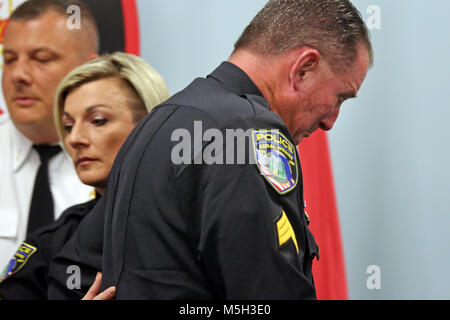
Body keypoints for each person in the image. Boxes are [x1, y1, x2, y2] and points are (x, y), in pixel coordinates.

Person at [52, 0, 373, 299]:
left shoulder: (156, 124)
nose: (331, 120)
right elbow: (266, 292)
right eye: (340, 97)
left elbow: (73, 266)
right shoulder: (248, 131)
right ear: (304, 68)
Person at [0, 52, 170, 299]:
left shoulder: (197, 219)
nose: (74, 138)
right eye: (68, 126)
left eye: (98, 120)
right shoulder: (56, 240)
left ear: (151, 125)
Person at [0, 0, 100, 269]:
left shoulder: (123, 168)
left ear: (88, 70)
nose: (18, 75)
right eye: (9, 60)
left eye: (41, 59)